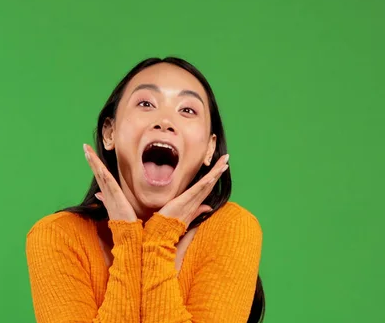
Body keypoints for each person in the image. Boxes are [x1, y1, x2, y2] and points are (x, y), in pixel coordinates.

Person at [26, 57, 265, 323]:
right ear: (109, 132)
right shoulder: (58, 237)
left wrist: (159, 239)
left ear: (210, 148)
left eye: (187, 110)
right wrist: (128, 241)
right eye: (146, 103)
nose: (165, 121)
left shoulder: (233, 228)